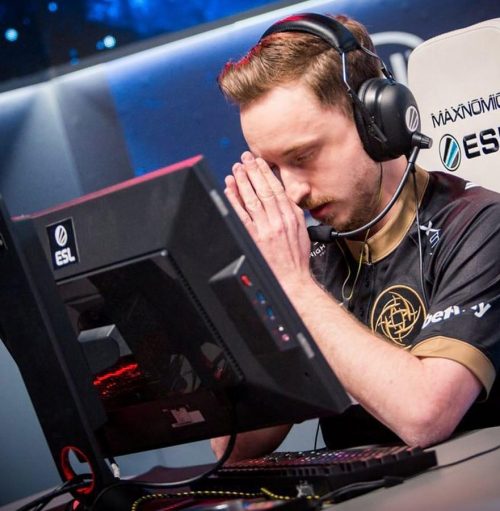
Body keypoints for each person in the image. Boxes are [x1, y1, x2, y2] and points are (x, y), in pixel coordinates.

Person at [211, 12, 500, 462]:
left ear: (376, 124)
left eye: (303, 156)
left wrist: (294, 287)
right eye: (273, 169)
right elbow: (233, 447)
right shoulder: (306, 257)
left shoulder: (481, 225)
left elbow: (426, 416)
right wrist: (268, 291)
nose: (293, 192)